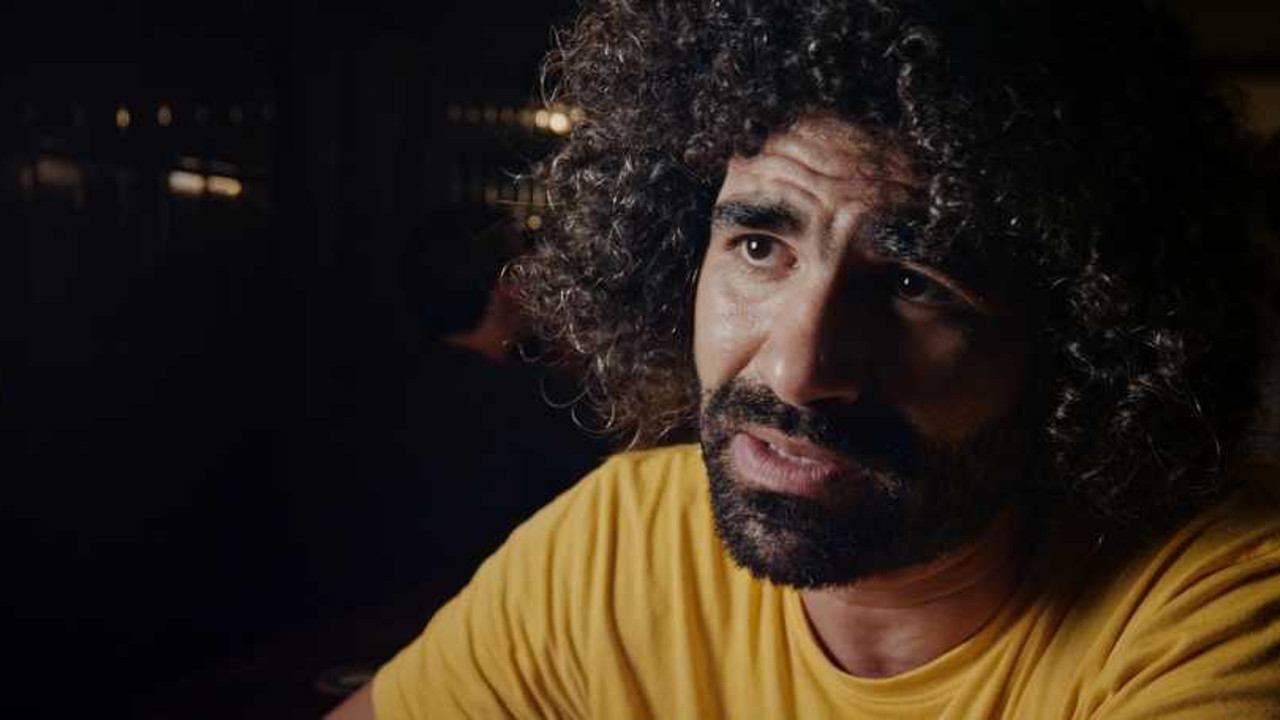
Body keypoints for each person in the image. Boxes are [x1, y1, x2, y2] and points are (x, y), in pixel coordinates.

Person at [330, 0, 1280, 717]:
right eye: (759, 247)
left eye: (914, 284)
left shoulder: (1223, 604)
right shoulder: (618, 545)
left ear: (1082, 342)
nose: (795, 369)